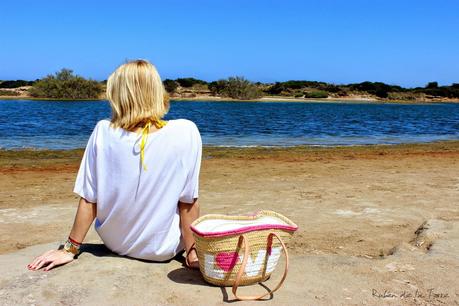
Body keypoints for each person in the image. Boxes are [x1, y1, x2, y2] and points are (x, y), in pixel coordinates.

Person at [27, 59, 202, 271]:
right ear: (156, 91)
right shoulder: (185, 131)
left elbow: (89, 198)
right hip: (162, 250)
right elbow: (187, 201)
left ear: (119, 95)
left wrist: (70, 249)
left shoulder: (103, 131)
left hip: (115, 243)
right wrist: (192, 252)